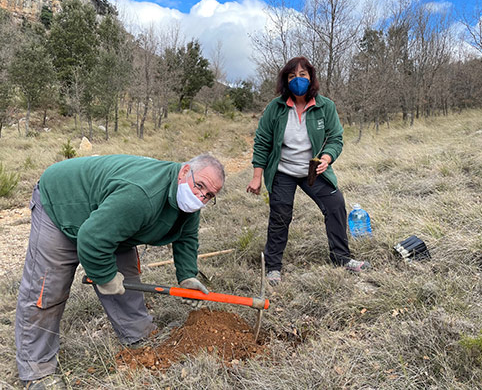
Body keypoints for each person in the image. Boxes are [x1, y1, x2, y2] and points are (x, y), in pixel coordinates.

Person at [15, 153, 225, 389]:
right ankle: (36, 370)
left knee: (126, 279)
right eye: (199, 186)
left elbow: (187, 237)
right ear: (184, 172)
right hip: (64, 202)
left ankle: (138, 335)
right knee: (47, 289)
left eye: (209, 195)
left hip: (110, 217)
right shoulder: (142, 195)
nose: (200, 197)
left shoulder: (188, 202)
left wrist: (187, 276)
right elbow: (92, 238)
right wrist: (104, 276)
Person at [246, 56, 370, 285]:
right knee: (280, 216)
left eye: (302, 75)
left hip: (313, 170)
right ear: (285, 80)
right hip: (283, 171)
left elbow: (335, 138)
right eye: (292, 76)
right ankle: (273, 267)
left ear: (311, 77)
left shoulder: (325, 106)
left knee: (335, 205)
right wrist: (257, 177)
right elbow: (262, 141)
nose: (297, 80)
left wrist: (327, 157)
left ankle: (341, 258)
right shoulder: (276, 108)